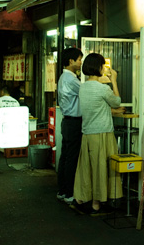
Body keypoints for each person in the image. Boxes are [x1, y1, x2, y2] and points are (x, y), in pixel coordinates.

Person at [73, 53, 124, 216]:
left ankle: (82, 198)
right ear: (99, 67)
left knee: (88, 168)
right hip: (102, 133)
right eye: (103, 65)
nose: (104, 68)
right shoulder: (103, 88)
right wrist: (114, 80)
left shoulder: (83, 87)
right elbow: (116, 102)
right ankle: (97, 203)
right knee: (102, 168)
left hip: (88, 133)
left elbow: (96, 106)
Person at [56, 47, 83, 205]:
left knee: (65, 157)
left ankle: (62, 190)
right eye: (79, 59)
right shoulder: (71, 79)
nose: (80, 62)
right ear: (71, 61)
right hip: (73, 122)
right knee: (71, 158)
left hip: (68, 121)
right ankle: (69, 193)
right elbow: (86, 92)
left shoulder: (65, 77)